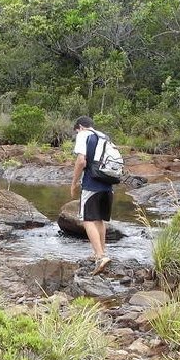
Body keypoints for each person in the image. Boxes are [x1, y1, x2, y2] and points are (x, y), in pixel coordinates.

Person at [70, 115, 113, 275]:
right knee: (99, 219)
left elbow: (81, 161)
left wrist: (74, 182)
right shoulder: (104, 136)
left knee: (87, 221)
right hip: (107, 184)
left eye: (76, 131)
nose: (77, 134)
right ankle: (101, 253)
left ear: (80, 127)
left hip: (91, 184)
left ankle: (100, 257)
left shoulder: (83, 135)